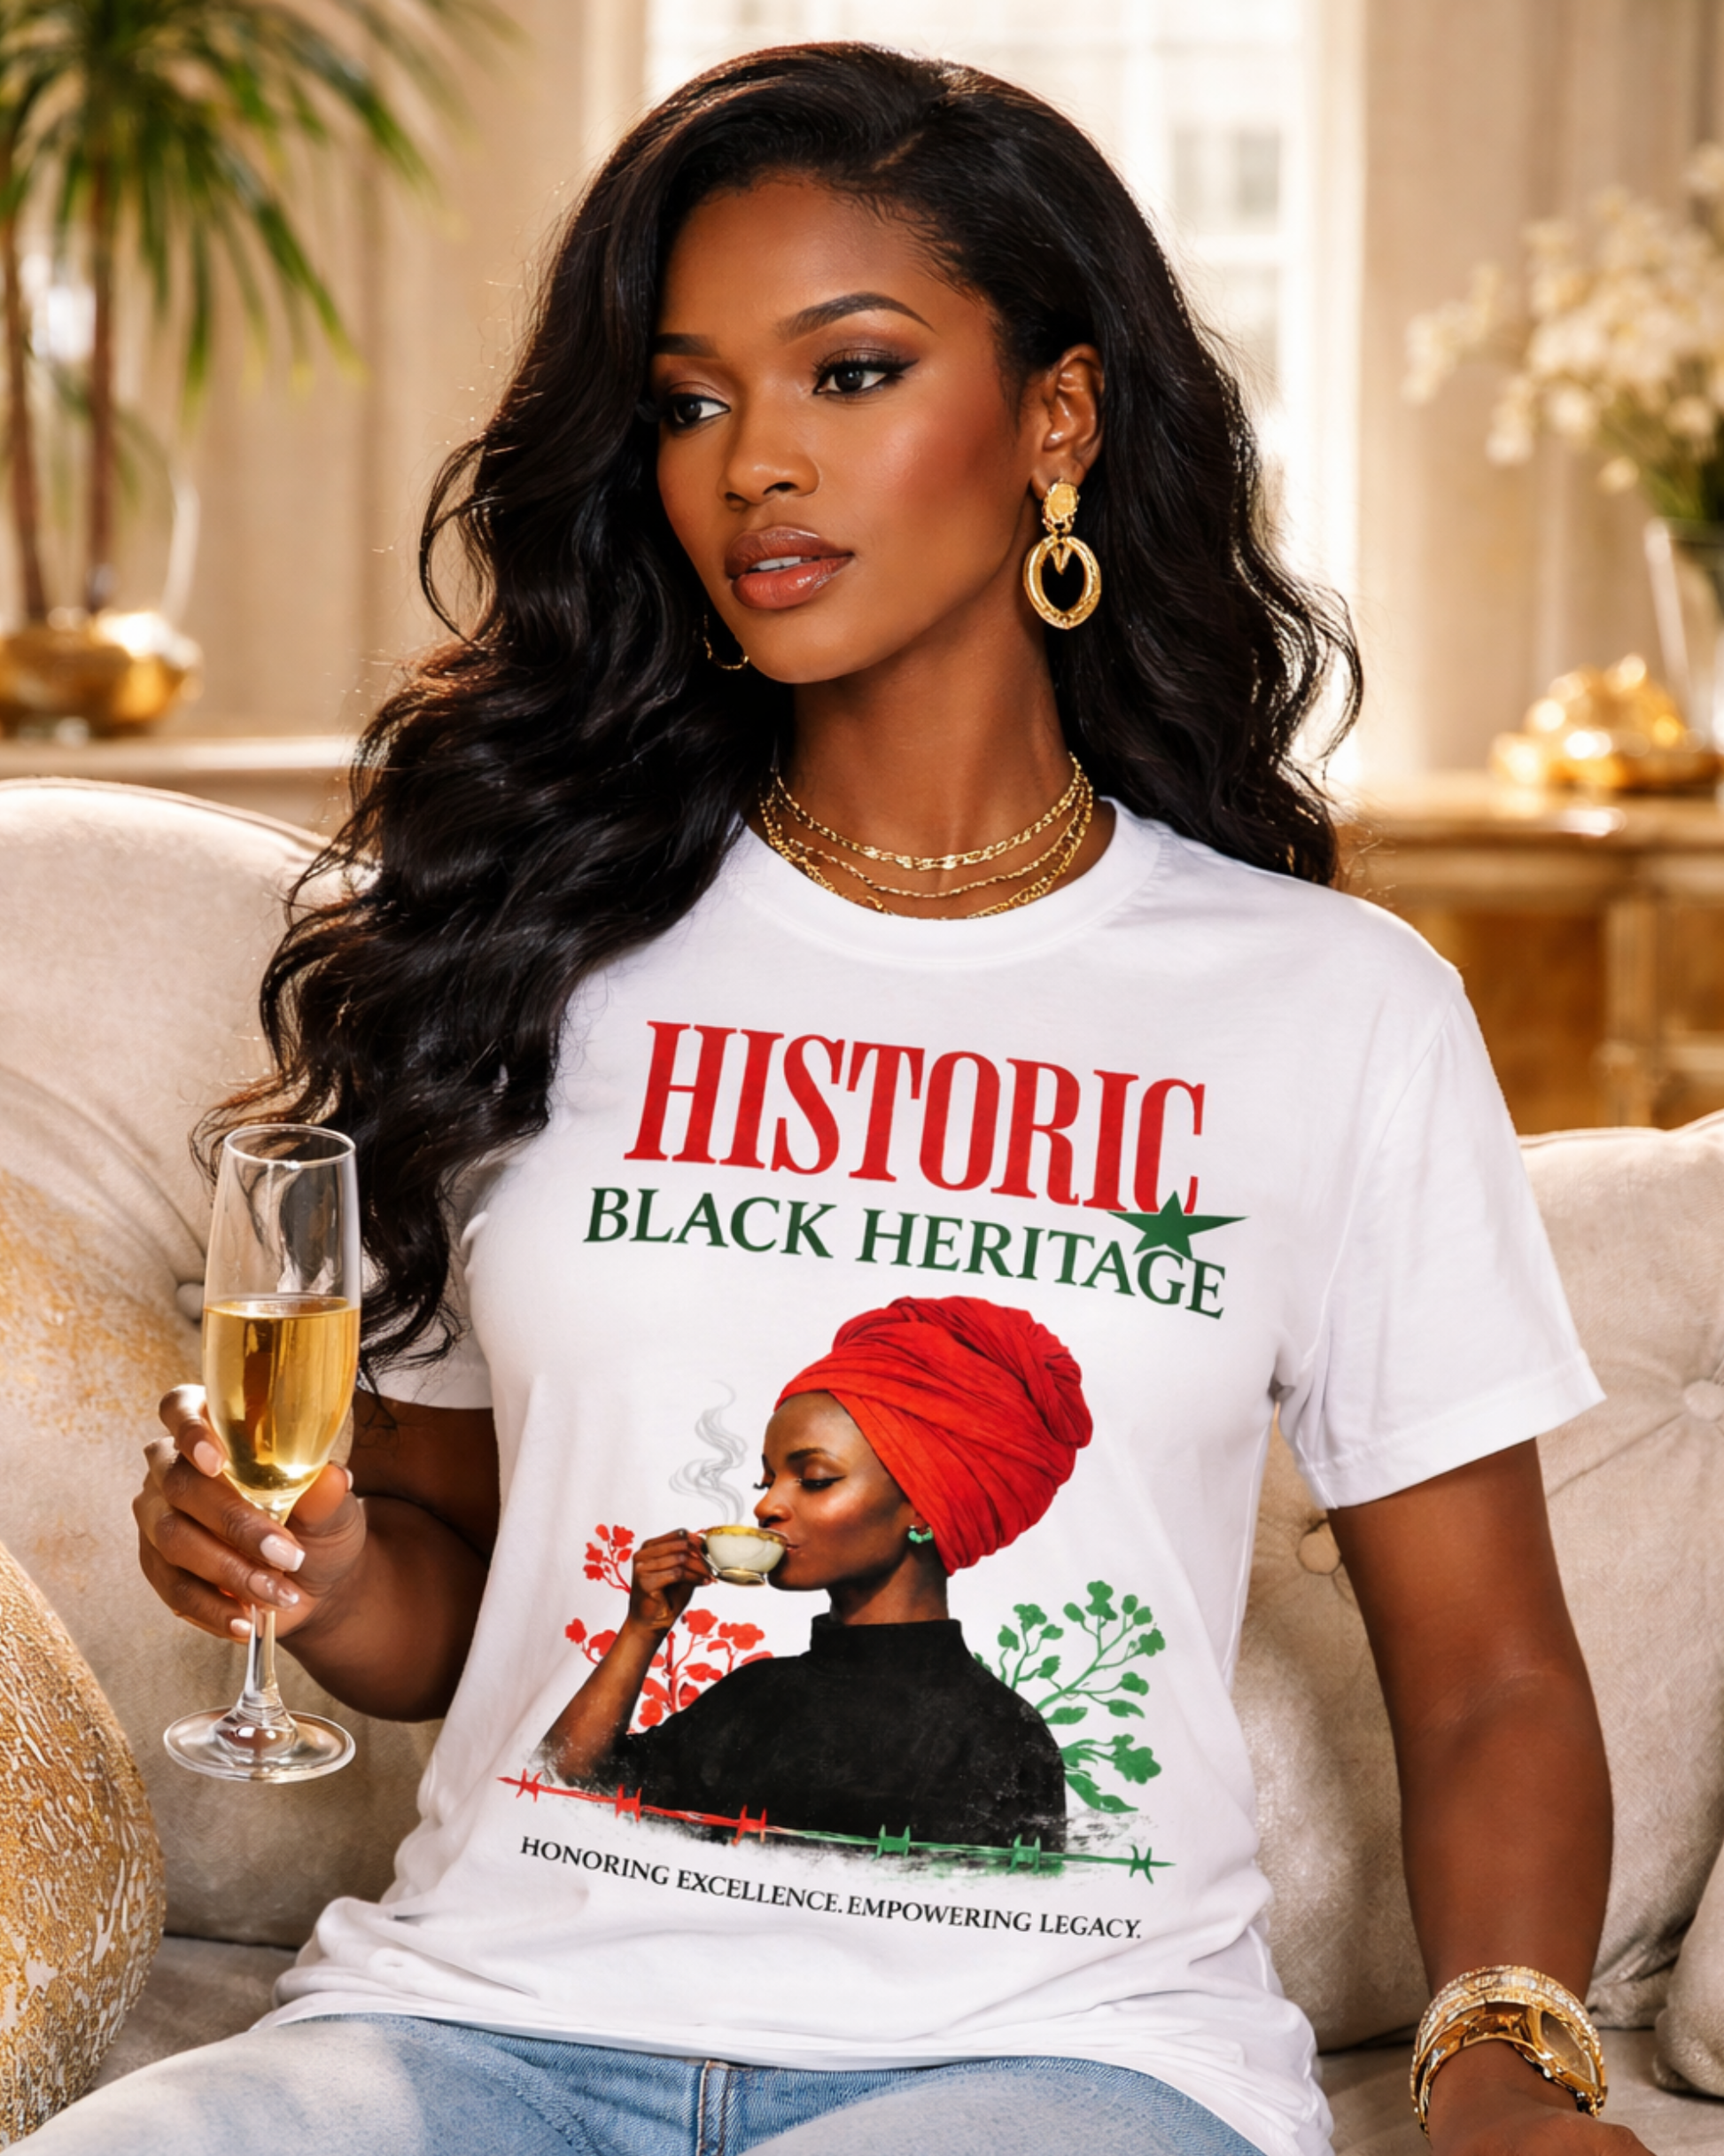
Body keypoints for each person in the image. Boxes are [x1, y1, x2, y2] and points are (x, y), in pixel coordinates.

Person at [74, 38, 1643, 2156]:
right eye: (695, 398)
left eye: (852, 372)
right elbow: (448, 1600)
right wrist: (325, 1565)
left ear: (1056, 419)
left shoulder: (1324, 1006)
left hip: (1059, 2064)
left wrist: (1509, 2076)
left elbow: (1493, 1679)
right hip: (467, 2029)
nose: (753, 468)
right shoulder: (530, 929)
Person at [540, 1296, 1084, 1858]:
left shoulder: (999, 1735)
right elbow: (560, 1798)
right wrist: (641, 1630)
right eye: (767, 1481)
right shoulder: (753, 1698)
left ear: (925, 1507)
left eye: (816, 1478)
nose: (767, 1507)